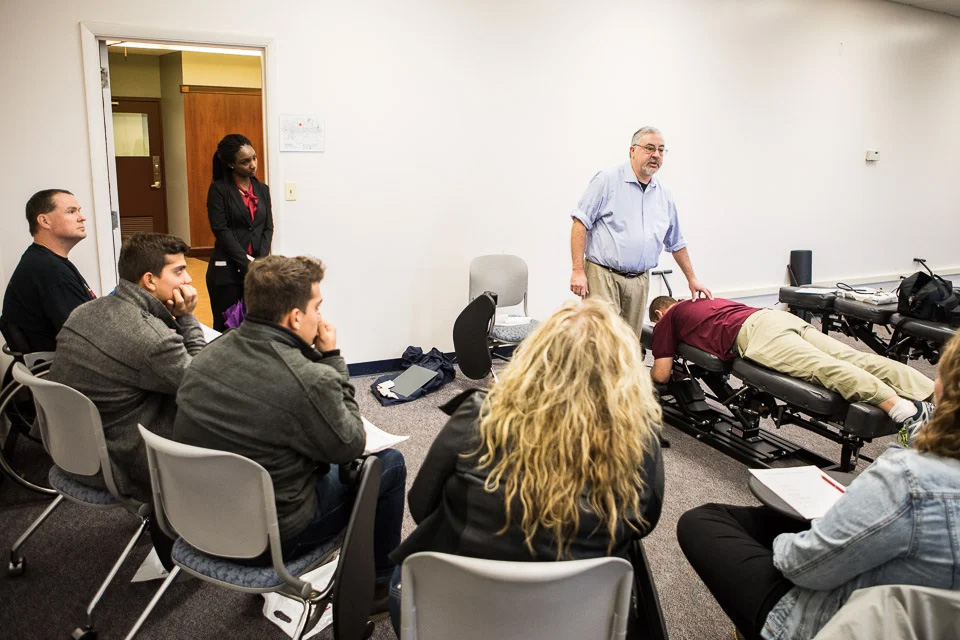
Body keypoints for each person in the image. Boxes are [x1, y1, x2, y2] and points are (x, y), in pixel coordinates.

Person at [387, 298, 665, 633]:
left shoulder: (479, 415)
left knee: (404, 578)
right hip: (574, 619)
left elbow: (421, 507)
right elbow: (643, 523)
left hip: (459, 610)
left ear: (535, 358)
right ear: (624, 373)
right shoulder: (639, 440)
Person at [676, 330, 960, 640]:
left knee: (700, 521)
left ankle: (754, 625)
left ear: (946, 391)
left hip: (835, 622)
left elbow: (801, 566)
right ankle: (900, 405)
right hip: (780, 327)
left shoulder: (907, 479)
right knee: (852, 359)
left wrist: (802, 535)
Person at [174, 255, 406, 612]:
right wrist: (332, 359)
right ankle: (378, 586)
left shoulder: (209, 353)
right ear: (295, 317)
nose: (321, 318)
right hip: (270, 539)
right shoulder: (307, 377)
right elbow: (349, 445)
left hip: (197, 520)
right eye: (317, 307)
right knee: (388, 464)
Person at [49, 233, 203, 502]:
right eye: (179, 271)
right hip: (123, 461)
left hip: (72, 448)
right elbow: (204, 383)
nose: (188, 280)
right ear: (149, 280)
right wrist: (188, 318)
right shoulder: (150, 339)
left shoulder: (84, 311)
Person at [648, 296, 935, 433]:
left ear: (660, 313)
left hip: (755, 335)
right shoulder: (708, 301)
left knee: (822, 369)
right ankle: (933, 393)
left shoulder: (668, 320)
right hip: (775, 317)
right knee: (854, 357)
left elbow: (661, 375)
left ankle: (903, 411)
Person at [569, 126, 712, 339]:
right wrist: (578, 270)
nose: (656, 155)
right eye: (649, 148)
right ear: (632, 151)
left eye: (661, 150)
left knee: (628, 343)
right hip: (603, 275)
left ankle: (623, 374)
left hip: (639, 280)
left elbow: (676, 242)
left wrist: (692, 278)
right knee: (599, 341)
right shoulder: (607, 180)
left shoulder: (664, 194)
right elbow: (580, 223)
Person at [2, 189, 96, 352]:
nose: (82, 217)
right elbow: (87, 337)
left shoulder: (44, 261)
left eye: (79, 211)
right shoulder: (49, 271)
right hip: (65, 371)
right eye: (71, 211)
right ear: (44, 221)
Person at [206, 133, 273, 331]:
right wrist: (246, 263)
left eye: (254, 157)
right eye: (245, 161)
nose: (253, 164)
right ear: (230, 164)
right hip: (227, 271)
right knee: (227, 329)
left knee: (256, 328)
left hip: (257, 270)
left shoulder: (262, 189)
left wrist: (260, 262)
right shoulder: (219, 190)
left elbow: (267, 227)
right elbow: (221, 230)